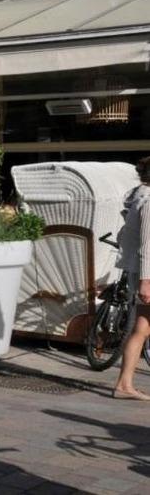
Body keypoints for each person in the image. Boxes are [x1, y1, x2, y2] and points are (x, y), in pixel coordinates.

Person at [114, 156, 150, 400]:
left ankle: (124, 384)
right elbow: (147, 244)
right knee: (142, 328)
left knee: (142, 328)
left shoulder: (139, 197)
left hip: (143, 273)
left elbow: (123, 236)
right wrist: (146, 281)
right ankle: (124, 385)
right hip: (148, 274)